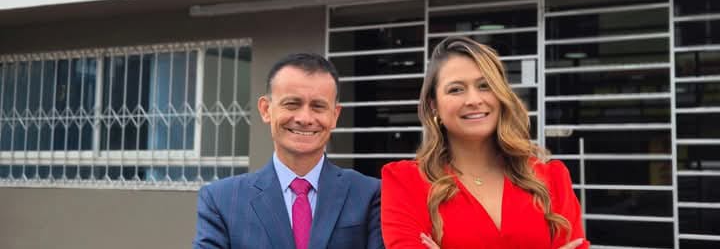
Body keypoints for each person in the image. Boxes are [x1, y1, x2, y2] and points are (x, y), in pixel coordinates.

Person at [381, 37, 589, 249]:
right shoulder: (405, 183)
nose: (474, 100)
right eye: (456, 89)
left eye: (485, 86)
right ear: (433, 104)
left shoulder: (552, 179)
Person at [193, 53, 383, 249]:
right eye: (292, 104)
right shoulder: (221, 200)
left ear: (335, 116)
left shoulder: (369, 194)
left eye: (318, 106)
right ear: (266, 109)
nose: (305, 118)